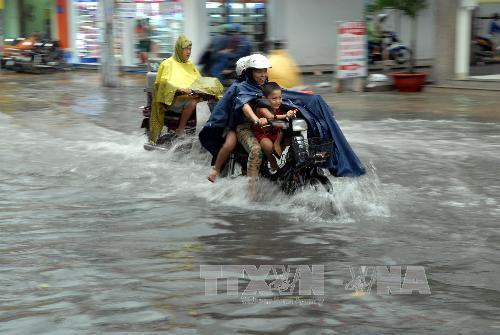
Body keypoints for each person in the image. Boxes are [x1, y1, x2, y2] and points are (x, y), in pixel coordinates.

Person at [150, 35, 223, 143]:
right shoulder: (167, 64)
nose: (189, 52)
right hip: (172, 99)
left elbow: (199, 80)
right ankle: (180, 129)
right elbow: (163, 83)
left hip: (190, 96)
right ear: (179, 49)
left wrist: (210, 87)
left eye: (190, 49)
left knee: (211, 101)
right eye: (186, 49)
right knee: (192, 102)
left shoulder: (190, 65)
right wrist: (178, 89)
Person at [206, 56, 250, 183]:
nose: (261, 75)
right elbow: (227, 109)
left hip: (254, 124)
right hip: (234, 124)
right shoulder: (236, 87)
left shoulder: (260, 86)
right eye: (257, 71)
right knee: (229, 144)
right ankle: (216, 169)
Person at [252, 82, 297, 172]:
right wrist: (286, 115)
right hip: (263, 134)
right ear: (264, 99)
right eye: (274, 98)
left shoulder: (280, 107)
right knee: (268, 146)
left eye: (280, 98)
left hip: (277, 134)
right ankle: (272, 162)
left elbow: (281, 124)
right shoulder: (261, 107)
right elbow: (270, 117)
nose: (278, 101)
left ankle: (285, 161)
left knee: (290, 138)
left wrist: (293, 113)